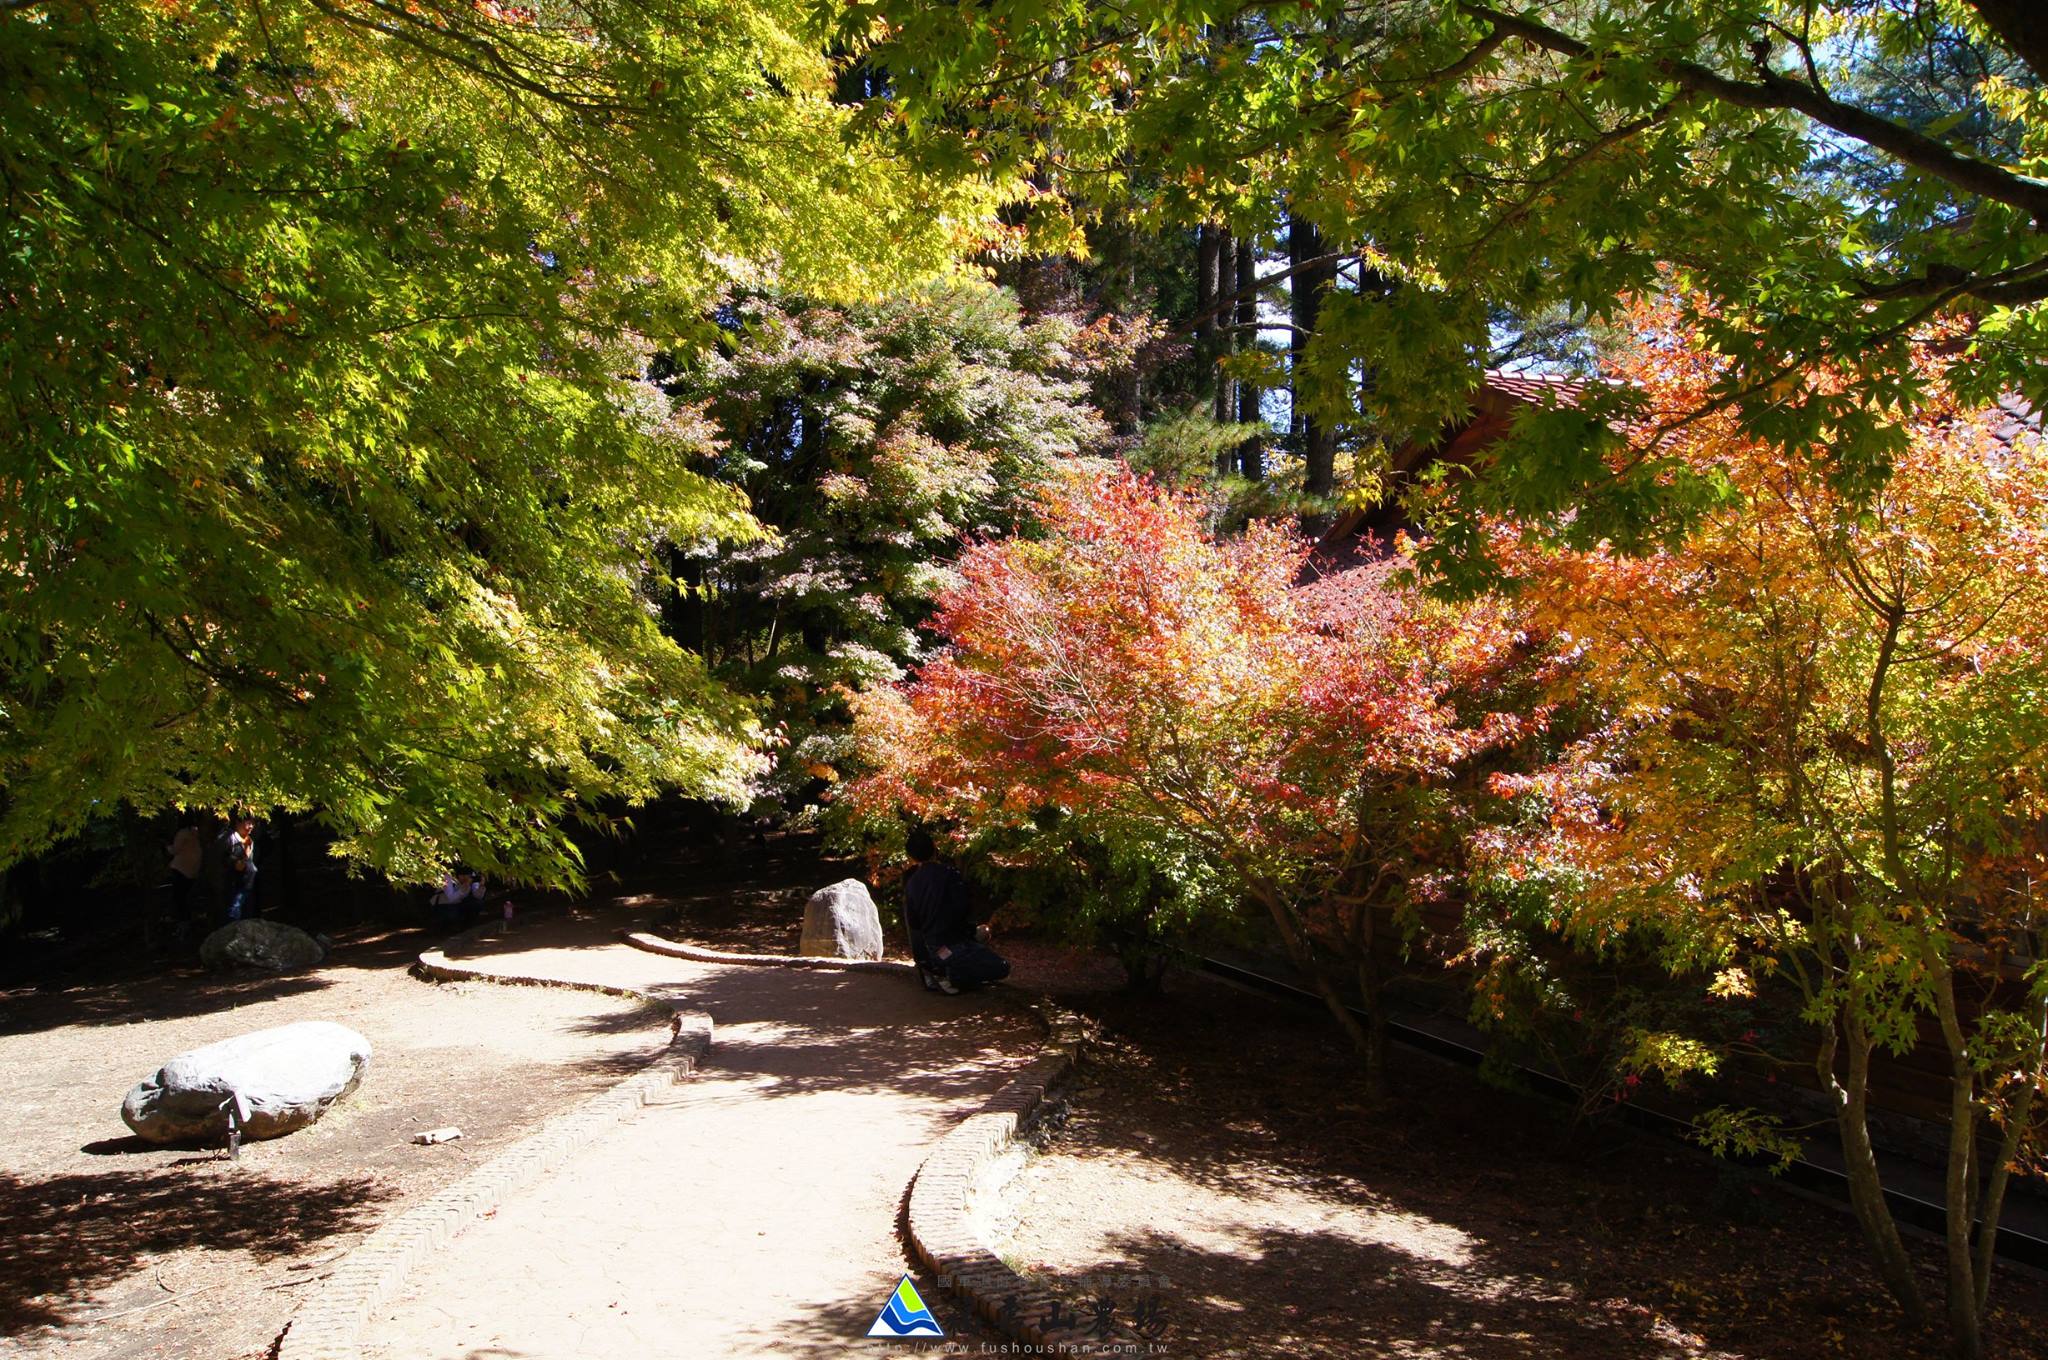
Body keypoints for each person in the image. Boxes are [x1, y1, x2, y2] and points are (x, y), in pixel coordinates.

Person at [903, 829, 1008, 995]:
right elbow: (963, 909)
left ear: (911, 856)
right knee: (1001, 967)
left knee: (979, 936)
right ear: (934, 849)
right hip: (953, 943)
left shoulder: (912, 883)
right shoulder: (949, 874)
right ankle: (950, 975)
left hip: (933, 946)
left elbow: (913, 922)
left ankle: (939, 969)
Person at [165, 820, 203, 937]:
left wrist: (166, 847)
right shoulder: (199, 833)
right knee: (185, 897)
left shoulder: (183, 833)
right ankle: (185, 922)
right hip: (192, 870)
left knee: (179, 898)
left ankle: (183, 924)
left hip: (181, 869)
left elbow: (175, 850)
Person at [429, 865, 487, 932]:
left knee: (477, 903)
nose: (467, 878)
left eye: (468, 876)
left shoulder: (472, 878)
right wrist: (464, 888)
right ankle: (446, 926)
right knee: (453, 913)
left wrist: (481, 886)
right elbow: (451, 898)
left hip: (458, 903)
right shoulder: (447, 877)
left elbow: (478, 896)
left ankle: (467, 925)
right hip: (442, 905)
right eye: (464, 876)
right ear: (459, 875)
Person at [223, 815, 258, 922]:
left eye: (253, 823)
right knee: (234, 913)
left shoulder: (250, 840)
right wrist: (244, 857)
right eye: (248, 823)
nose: (251, 826)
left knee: (247, 914)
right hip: (235, 885)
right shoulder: (230, 839)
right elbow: (235, 865)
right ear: (238, 823)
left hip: (248, 884)